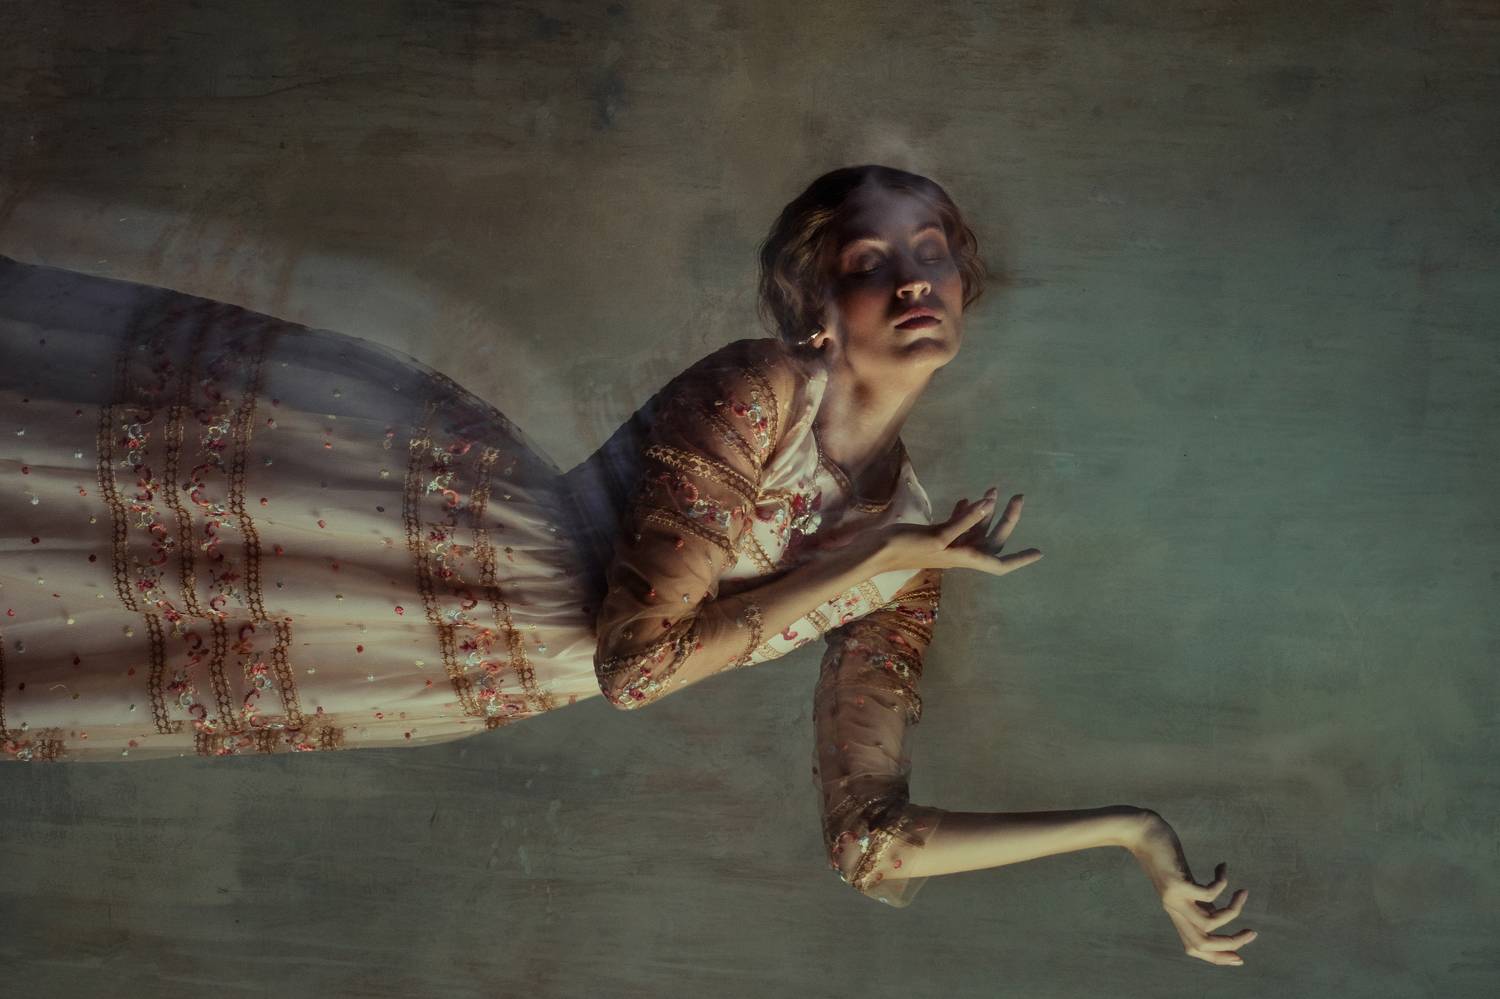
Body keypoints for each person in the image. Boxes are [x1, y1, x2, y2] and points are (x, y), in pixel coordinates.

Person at [0, 165, 1256, 961]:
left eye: (933, 253)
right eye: (872, 262)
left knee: (104, 649)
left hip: (466, 667)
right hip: (433, 533)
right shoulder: (764, 391)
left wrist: (1127, 834)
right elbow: (637, 669)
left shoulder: (914, 546)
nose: (915, 279)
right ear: (817, 307)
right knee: (83, 524)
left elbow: (867, 844)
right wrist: (873, 560)